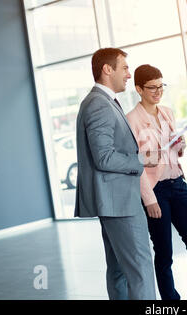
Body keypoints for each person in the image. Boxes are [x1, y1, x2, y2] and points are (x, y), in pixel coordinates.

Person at [74, 48, 157, 300]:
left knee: (119, 270)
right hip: (120, 202)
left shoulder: (103, 101)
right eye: (124, 68)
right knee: (141, 269)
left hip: (114, 201)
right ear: (107, 70)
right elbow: (104, 157)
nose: (129, 74)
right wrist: (141, 159)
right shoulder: (99, 104)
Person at [126, 64, 187, 300]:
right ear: (139, 89)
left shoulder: (167, 112)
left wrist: (179, 144)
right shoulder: (132, 120)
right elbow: (136, 164)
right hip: (157, 190)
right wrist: (149, 200)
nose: (158, 91)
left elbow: (173, 151)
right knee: (164, 253)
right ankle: (170, 301)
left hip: (178, 185)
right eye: (152, 87)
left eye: (161, 85)